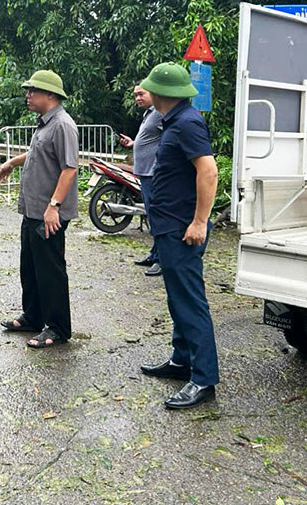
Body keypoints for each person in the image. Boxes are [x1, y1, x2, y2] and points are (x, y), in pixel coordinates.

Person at [137, 63, 219, 410]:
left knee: (190, 302)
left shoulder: (186, 122)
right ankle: (180, 360)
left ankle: (203, 379)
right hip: (170, 226)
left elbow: (209, 170)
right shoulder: (173, 120)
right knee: (177, 299)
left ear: (161, 93)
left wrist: (200, 221)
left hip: (183, 229)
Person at [0, 70, 78, 349]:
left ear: (51, 95)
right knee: (30, 266)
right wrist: (10, 163)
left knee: (50, 270)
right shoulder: (44, 124)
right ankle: (33, 316)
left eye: (33, 91)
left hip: (48, 213)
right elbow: (36, 153)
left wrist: (54, 206)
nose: (28, 95)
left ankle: (57, 328)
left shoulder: (63, 125)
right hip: (32, 209)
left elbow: (69, 168)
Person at [118, 84, 164, 276]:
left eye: (141, 94)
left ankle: (163, 260)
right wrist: (133, 143)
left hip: (154, 173)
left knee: (158, 218)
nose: (137, 98)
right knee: (151, 216)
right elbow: (151, 139)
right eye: (135, 95)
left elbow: (169, 138)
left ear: (153, 93)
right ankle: (155, 254)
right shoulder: (149, 114)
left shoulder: (161, 113)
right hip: (144, 172)